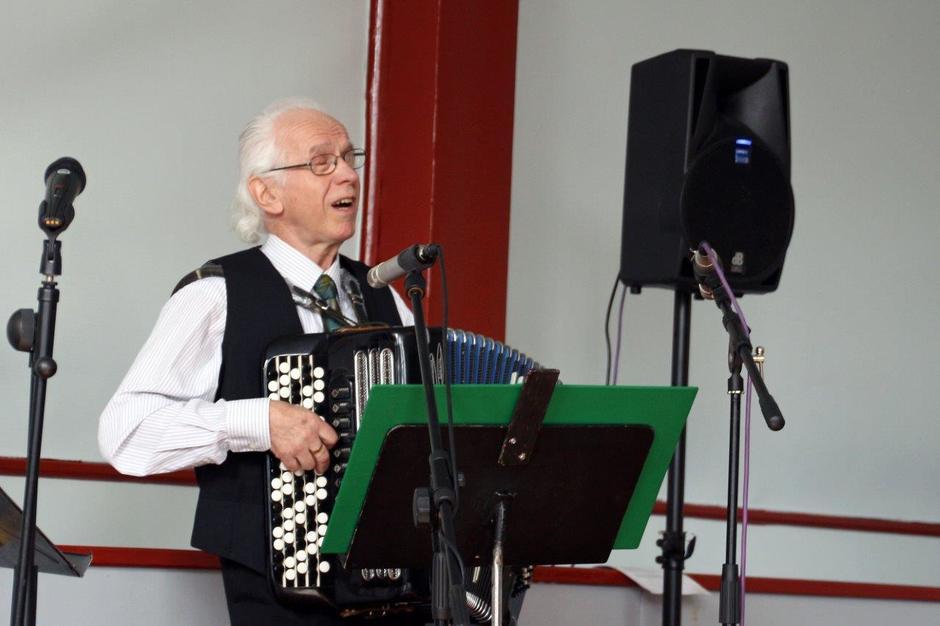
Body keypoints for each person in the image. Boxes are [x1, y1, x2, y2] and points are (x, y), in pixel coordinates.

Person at [98, 99, 423, 625]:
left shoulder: (385, 296)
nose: (347, 175)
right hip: (280, 592)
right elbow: (125, 433)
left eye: (348, 158)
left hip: (394, 584)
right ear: (267, 193)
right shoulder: (215, 294)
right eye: (322, 162)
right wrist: (255, 421)